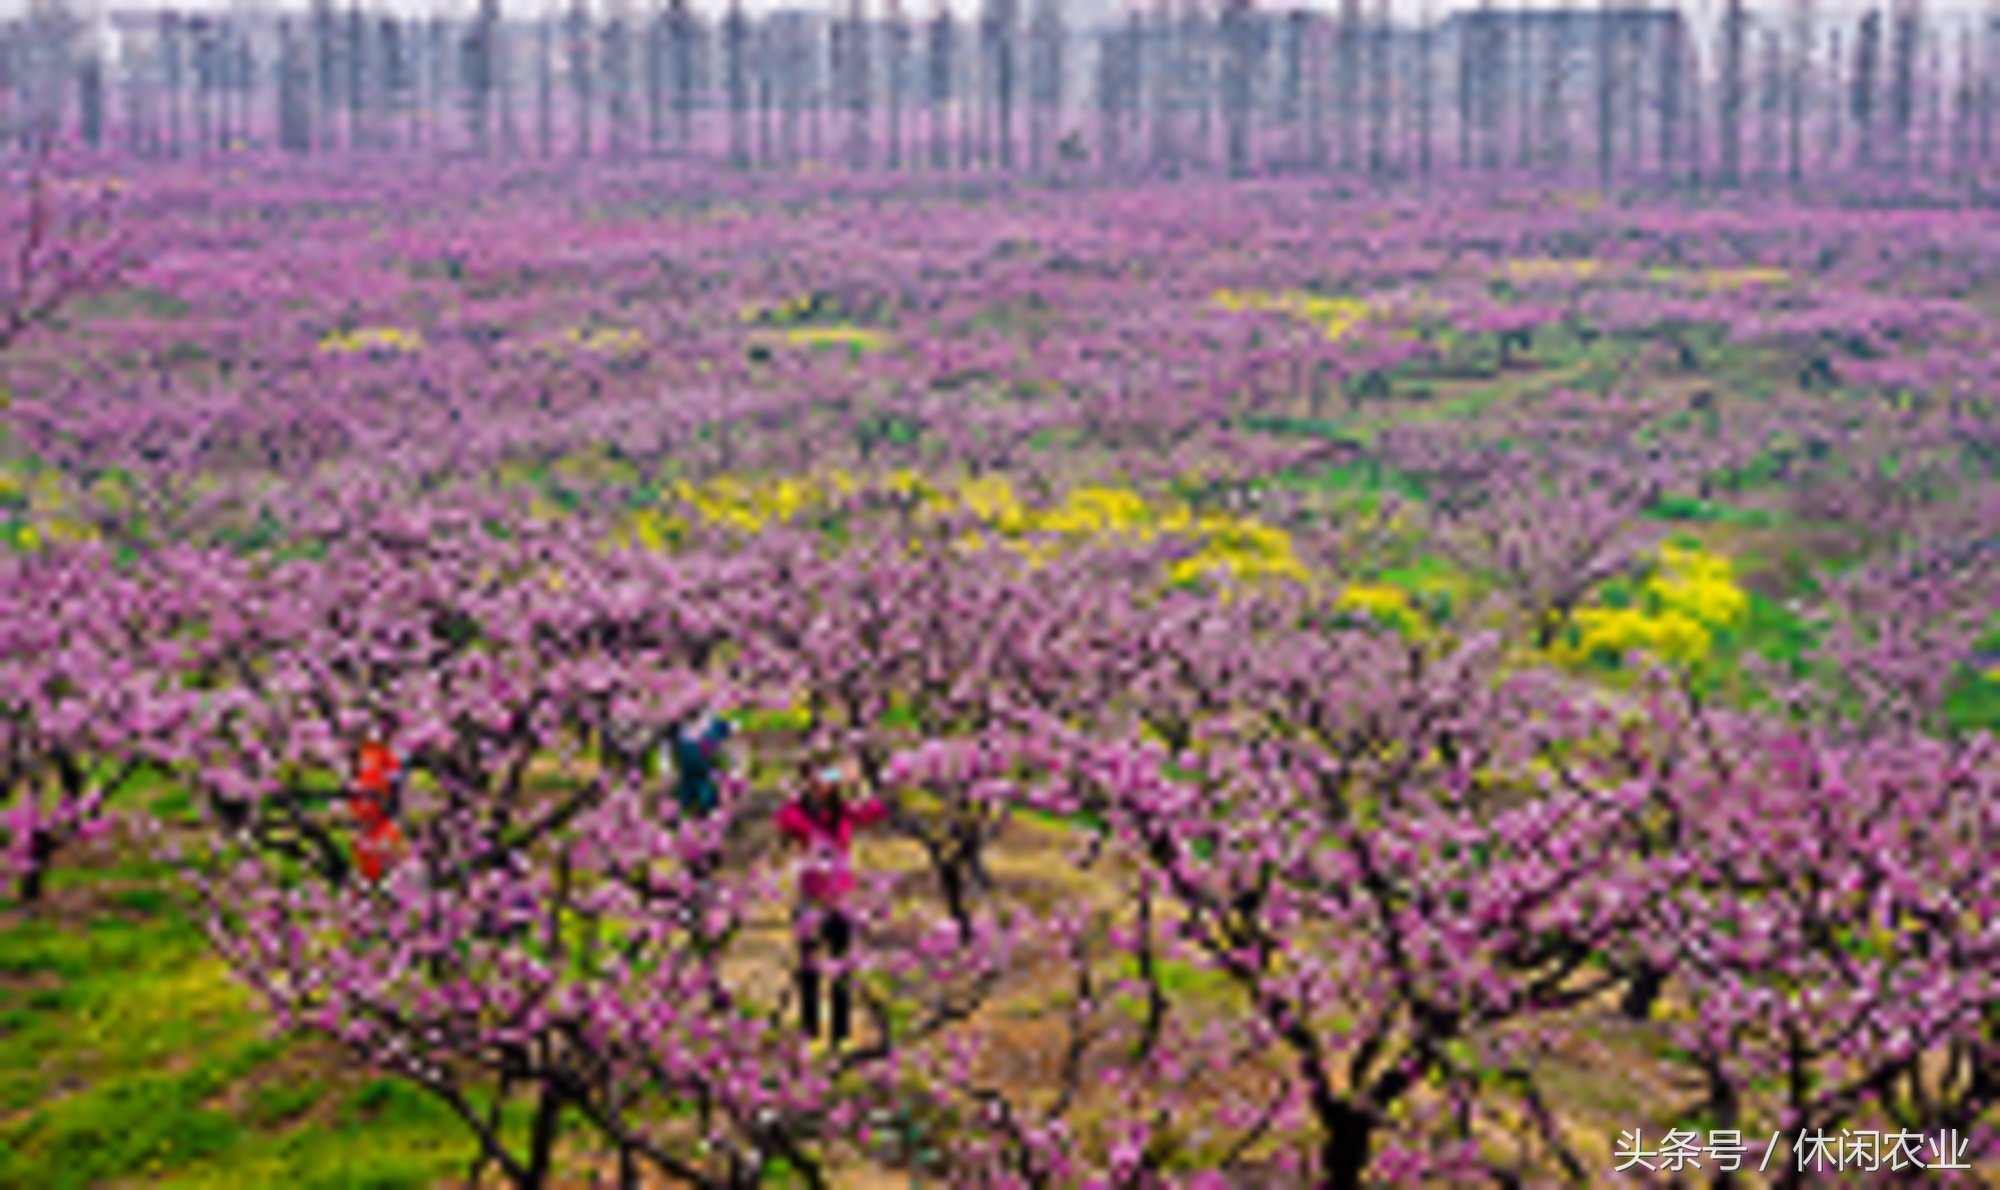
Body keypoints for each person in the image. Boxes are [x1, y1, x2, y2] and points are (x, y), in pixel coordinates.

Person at [775, 759, 887, 1052]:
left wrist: (856, 783)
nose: (821, 782)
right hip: (809, 899)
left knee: (842, 969)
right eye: (816, 776)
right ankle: (809, 1032)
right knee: (808, 970)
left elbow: (876, 811)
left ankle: (841, 1033)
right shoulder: (800, 812)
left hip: (840, 901)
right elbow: (784, 820)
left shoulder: (844, 812)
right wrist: (803, 794)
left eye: (827, 776)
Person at [349, 740, 407, 886]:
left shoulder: (383, 753)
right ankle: (370, 877)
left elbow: (396, 777)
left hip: (379, 808)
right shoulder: (363, 752)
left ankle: (382, 877)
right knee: (365, 842)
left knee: (384, 840)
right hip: (365, 808)